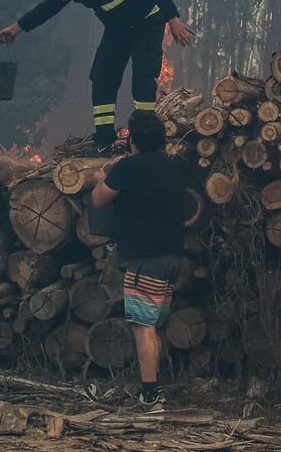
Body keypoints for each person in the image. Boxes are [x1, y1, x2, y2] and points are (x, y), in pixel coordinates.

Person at [0, 0, 196, 152]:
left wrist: (173, 20)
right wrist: (16, 28)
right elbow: (48, 7)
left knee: (143, 78)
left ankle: (143, 137)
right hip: (117, 29)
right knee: (102, 77)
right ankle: (104, 140)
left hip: (146, 23)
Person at [91, 109, 185, 410]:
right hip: (171, 256)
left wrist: (100, 178)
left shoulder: (128, 167)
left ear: (133, 140)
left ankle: (150, 394)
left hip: (144, 260)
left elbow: (99, 199)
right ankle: (153, 385)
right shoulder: (172, 168)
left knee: (142, 326)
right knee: (153, 324)